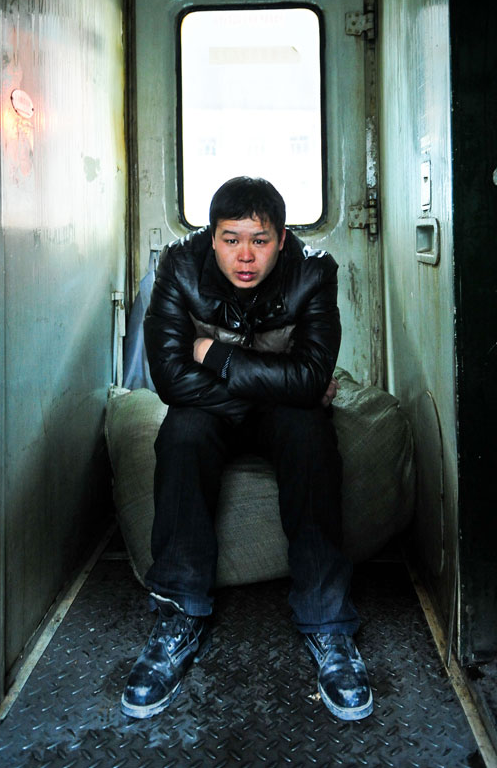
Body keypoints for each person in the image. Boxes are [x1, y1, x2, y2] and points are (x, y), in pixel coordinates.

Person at [121, 177, 373, 722]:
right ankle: (178, 615)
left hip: (279, 416)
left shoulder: (313, 271)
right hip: (211, 412)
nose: (244, 255)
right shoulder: (179, 267)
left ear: (283, 239)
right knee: (182, 432)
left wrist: (214, 355)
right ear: (209, 237)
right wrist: (276, 388)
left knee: (309, 432)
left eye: (259, 240)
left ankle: (328, 624)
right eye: (230, 238)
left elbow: (311, 381)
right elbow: (168, 379)